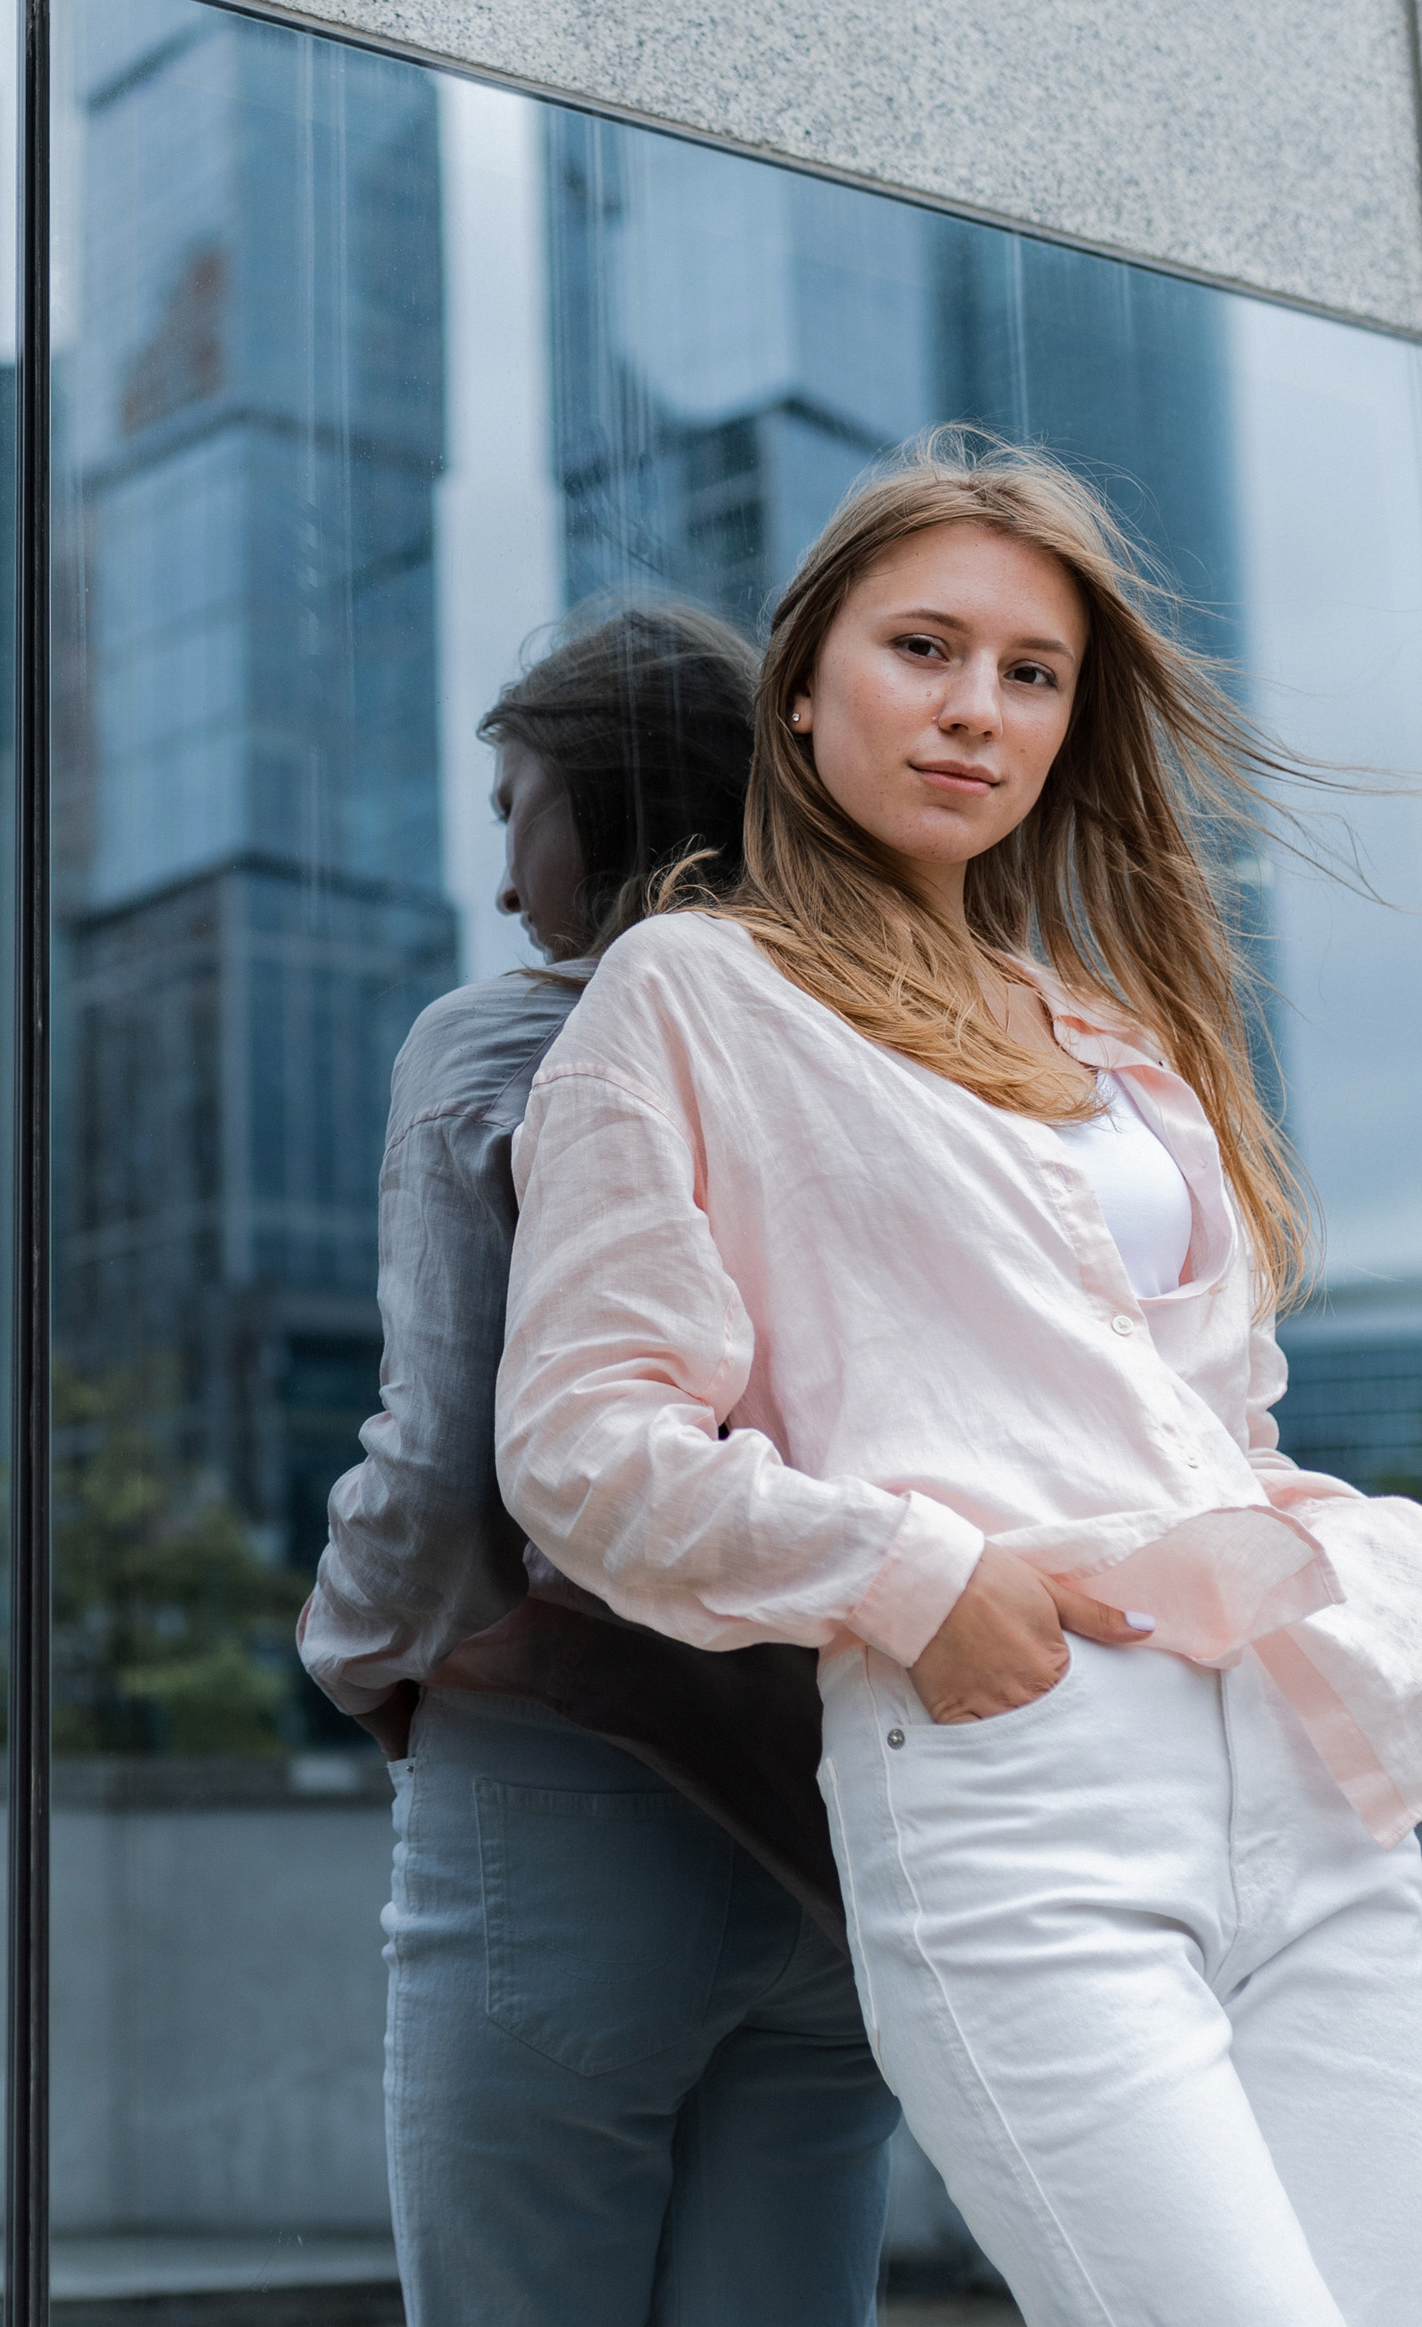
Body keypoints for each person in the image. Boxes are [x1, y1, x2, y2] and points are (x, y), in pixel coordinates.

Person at [496, 431, 1422, 2327]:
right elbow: (583, 1445)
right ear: (807, 676)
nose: (975, 712)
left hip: (1318, 1769)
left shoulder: (1124, 1031)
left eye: (1032, 675)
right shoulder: (693, 993)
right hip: (1026, 1776)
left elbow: (1212, 1421)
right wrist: (931, 1583)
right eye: (923, 649)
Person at [302, 603, 900, 2327]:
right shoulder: (875, 1045)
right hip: (840, 1802)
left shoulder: (500, 1044)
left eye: (517, 806)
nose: (504, 875)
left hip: (565, 1789)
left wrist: (364, 1663)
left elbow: (445, 1459)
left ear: (611, 800)